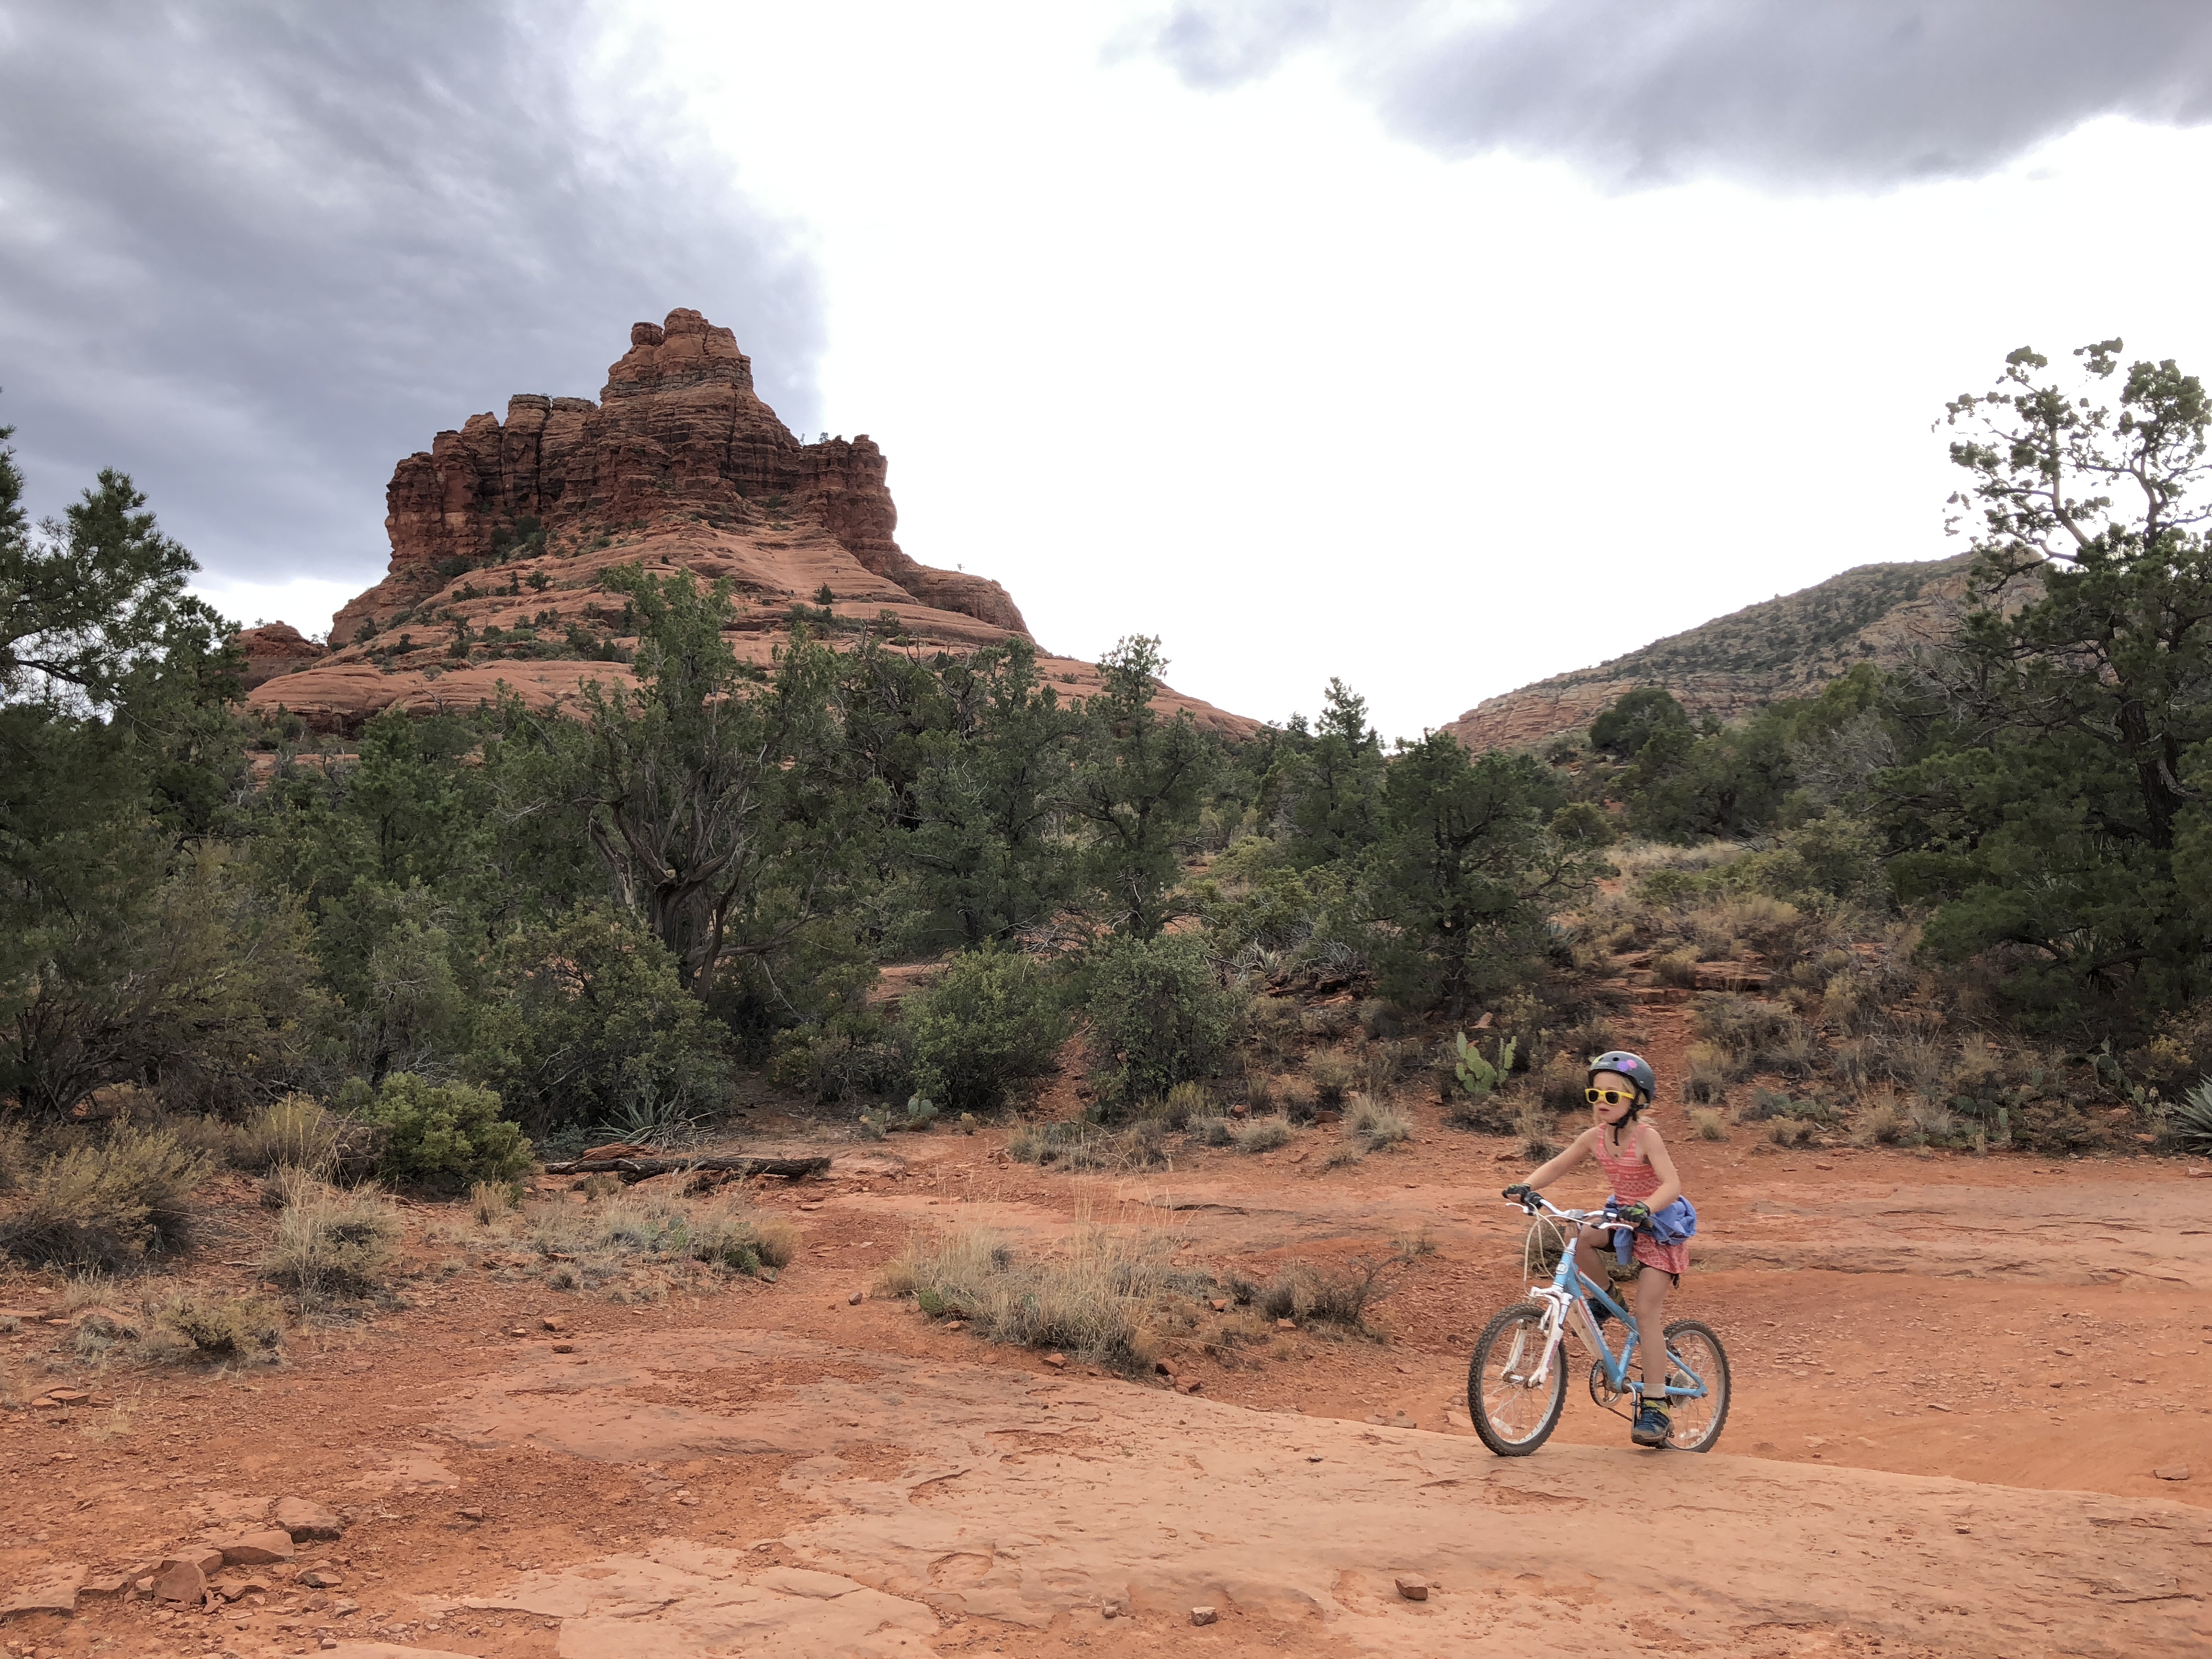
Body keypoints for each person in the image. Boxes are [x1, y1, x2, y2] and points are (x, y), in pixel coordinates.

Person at [1504, 1051, 1696, 1448]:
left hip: (1658, 1226)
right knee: (1577, 1234)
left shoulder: (1647, 1138)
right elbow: (1559, 1165)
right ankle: (1606, 1298)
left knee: (1647, 1315)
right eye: (1596, 1096)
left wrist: (1646, 1206)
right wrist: (1527, 1186)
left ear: (1635, 1101)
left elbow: (1672, 1184)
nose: (1602, 1105)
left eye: (1612, 1097)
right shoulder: (1593, 1138)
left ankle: (1657, 1405)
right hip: (1622, 1219)